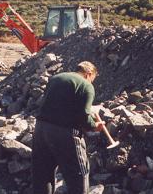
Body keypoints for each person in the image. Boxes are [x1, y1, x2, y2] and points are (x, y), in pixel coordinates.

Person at [32, 61, 104, 194]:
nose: (92, 82)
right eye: (92, 79)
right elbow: (83, 117)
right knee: (79, 173)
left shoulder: (56, 78)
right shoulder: (86, 86)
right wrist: (95, 126)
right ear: (88, 74)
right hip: (65, 133)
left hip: (41, 129)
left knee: (43, 173)